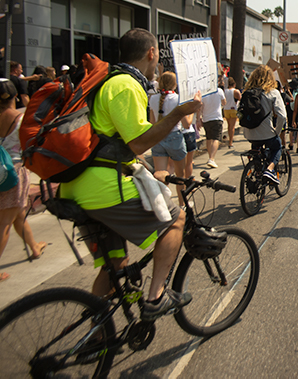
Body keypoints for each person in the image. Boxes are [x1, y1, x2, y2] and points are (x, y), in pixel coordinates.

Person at [58, 28, 202, 320]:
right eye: (158, 56)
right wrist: (177, 113)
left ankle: (96, 333)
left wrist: (149, 171)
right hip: (101, 187)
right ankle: (156, 298)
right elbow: (139, 142)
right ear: (151, 53)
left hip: (78, 186)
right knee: (176, 219)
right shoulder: (125, 85)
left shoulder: (111, 80)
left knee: (116, 263)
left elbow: (118, 145)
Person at [0, 79, 46, 282]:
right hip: (14, 172)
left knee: (18, 214)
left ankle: (34, 247)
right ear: (15, 96)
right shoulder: (20, 119)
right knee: (5, 223)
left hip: (1, 171)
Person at [148, 71, 188, 207]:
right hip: (175, 137)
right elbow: (187, 123)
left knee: (160, 176)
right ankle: (182, 205)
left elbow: (152, 122)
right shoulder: (178, 99)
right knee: (180, 175)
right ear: (175, 84)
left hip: (158, 137)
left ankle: (163, 205)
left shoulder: (153, 98)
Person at [243, 65, 286, 185]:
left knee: (256, 150)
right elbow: (282, 116)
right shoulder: (273, 93)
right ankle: (269, 170)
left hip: (250, 133)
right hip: (267, 133)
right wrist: (276, 132)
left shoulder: (246, 93)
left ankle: (257, 174)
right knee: (277, 146)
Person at [198, 84, 226, 168]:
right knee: (216, 139)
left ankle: (210, 156)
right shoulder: (219, 91)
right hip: (217, 117)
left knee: (209, 138)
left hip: (206, 118)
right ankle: (212, 158)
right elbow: (224, 102)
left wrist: (199, 118)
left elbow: (200, 106)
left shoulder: (203, 92)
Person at [223, 77, 241, 148]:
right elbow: (240, 98)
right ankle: (230, 142)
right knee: (232, 127)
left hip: (226, 109)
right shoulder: (236, 91)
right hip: (233, 109)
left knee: (229, 126)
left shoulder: (225, 91)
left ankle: (229, 140)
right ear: (234, 84)